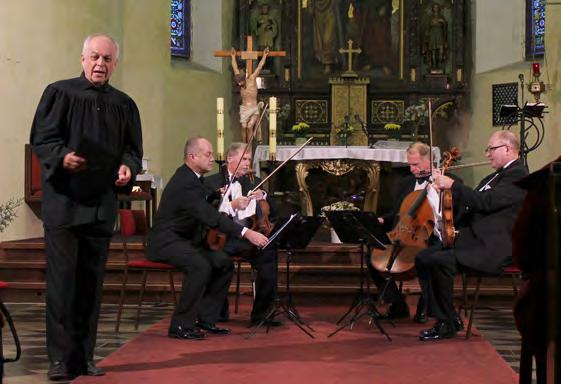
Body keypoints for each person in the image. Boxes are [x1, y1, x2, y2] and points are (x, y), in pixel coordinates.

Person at [29, 33, 143, 381]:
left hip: (100, 205)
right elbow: (43, 139)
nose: (100, 64)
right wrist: (63, 157)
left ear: (115, 64)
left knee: (91, 286)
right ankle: (60, 360)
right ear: (82, 59)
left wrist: (127, 167)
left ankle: (85, 356)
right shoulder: (59, 93)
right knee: (62, 286)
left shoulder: (124, 104)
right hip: (64, 204)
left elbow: (133, 149)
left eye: (107, 59)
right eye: (94, 57)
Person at [146, 137, 268, 341]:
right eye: (208, 154)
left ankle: (206, 319)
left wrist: (217, 196)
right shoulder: (186, 182)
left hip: (184, 241)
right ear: (192, 156)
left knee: (223, 262)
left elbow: (209, 203)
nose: (213, 159)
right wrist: (247, 233)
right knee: (200, 265)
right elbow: (211, 217)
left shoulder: (195, 179)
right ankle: (180, 325)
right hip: (166, 242)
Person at [416, 130, 528, 341]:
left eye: (491, 149)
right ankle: (448, 317)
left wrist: (454, 186)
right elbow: (471, 204)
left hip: (492, 247)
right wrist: (445, 197)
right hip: (473, 239)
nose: (487, 154)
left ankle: (446, 323)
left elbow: (487, 203)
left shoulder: (518, 176)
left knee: (439, 261)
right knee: (423, 258)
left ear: (507, 149)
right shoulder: (494, 176)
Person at [369, 142, 459, 322]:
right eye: (409, 164)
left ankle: (425, 305)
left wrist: (439, 190)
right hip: (405, 233)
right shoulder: (405, 183)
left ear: (430, 161)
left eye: (416, 165)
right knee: (373, 254)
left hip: (431, 235)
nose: (411, 169)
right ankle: (397, 304)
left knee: (428, 257)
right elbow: (399, 213)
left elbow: (452, 215)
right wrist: (382, 220)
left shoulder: (450, 181)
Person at [204, 143, 280, 326]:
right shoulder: (211, 183)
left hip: (248, 237)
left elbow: (275, 211)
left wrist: (264, 197)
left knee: (268, 253)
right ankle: (218, 312)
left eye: (249, 159)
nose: (248, 163)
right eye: (244, 159)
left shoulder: (254, 182)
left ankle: (262, 314)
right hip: (221, 239)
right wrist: (231, 206)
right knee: (218, 260)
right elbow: (206, 215)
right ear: (230, 158)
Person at [231, 47, 270, 143]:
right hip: (244, 108)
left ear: (244, 79)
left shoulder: (252, 79)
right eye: (238, 83)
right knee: (243, 127)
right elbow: (235, 67)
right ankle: (244, 145)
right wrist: (233, 56)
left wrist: (264, 55)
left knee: (249, 126)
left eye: (241, 82)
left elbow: (259, 67)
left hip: (253, 108)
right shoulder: (238, 79)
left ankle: (249, 147)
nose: (240, 85)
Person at [311, 0, 339, 74]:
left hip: (331, 10)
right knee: (320, 39)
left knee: (328, 39)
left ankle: (328, 63)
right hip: (318, 11)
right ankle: (324, 62)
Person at [423, 3, 448, 73]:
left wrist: (443, 22)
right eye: (434, 7)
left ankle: (439, 65)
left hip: (440, 35)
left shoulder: (442, 17)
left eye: (437, 7)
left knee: (441, 51)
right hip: (433, 35)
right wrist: (426, 39)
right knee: (433, 51)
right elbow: (427, 28)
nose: (436, 8)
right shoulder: (430, 17)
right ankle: (433, 66)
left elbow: (445, 26)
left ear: (439, 8)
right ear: (433, 9)